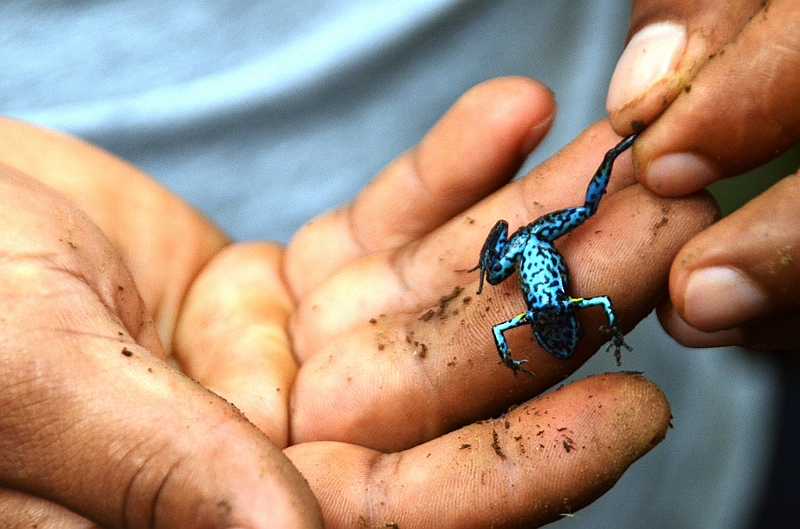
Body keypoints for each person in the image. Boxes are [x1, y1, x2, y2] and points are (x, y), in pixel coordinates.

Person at [0, 1, 797, 527]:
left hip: (561, 281)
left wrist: (523, 317)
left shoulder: (543, 309)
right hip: (520, 253)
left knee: (597, 218)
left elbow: (535, 326)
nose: (545, 330)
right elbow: (539, 324)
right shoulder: (544, 303)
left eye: (545, 329)